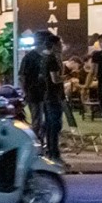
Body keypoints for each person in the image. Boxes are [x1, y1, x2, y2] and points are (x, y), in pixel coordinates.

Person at [19, 30, 67, 160]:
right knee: (38, 122)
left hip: (46, 93)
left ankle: (46, 146)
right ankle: (37, 149)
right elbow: (22, 76)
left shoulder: (49, 57)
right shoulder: (31, 57)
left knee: (49, 123)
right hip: (34, 93)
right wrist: (25, 92)